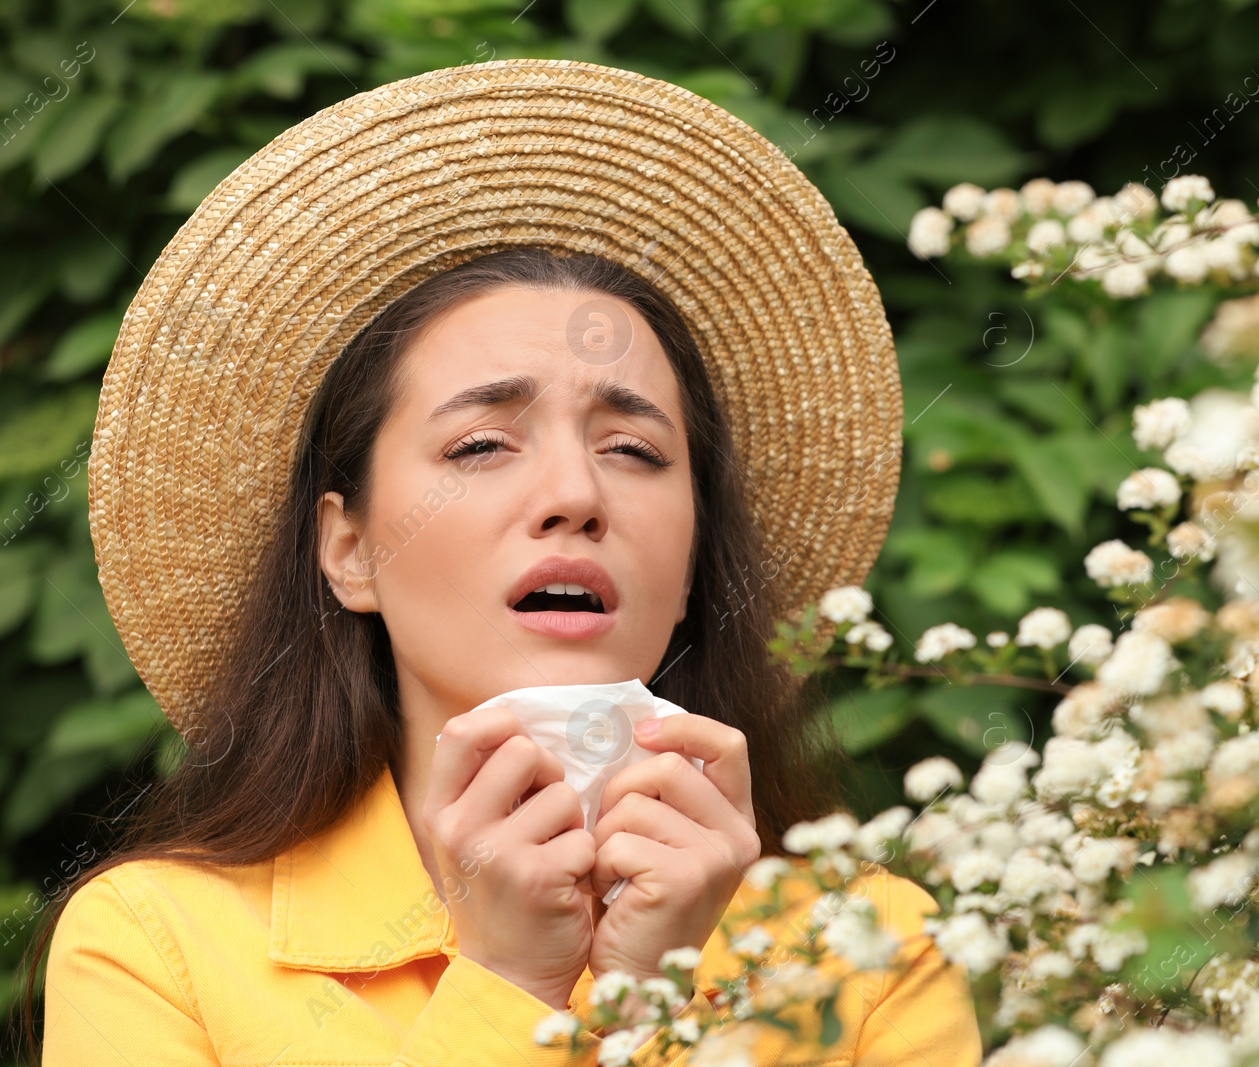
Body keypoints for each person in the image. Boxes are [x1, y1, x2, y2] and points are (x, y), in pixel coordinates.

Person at [27, 59, 984, 1065]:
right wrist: (508, 987)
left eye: (636, 450)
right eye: (480, 445)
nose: (576, 493)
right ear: (347, 549)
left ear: (697, 554)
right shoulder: (154, 944)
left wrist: (648, 995)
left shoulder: (873, 950)